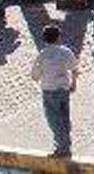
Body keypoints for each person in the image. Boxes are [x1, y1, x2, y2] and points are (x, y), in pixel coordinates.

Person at [30, 23, 78, 159]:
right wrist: (74, 84)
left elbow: (34, 76)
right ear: (58, 38)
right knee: (64, 117)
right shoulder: (66, 51)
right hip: (64, 89)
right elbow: (74, 69)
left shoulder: (42, 55)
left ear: (44, 39)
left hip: (49, 91)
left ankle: (62, 149)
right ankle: (66, 144)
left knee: (54, 120)